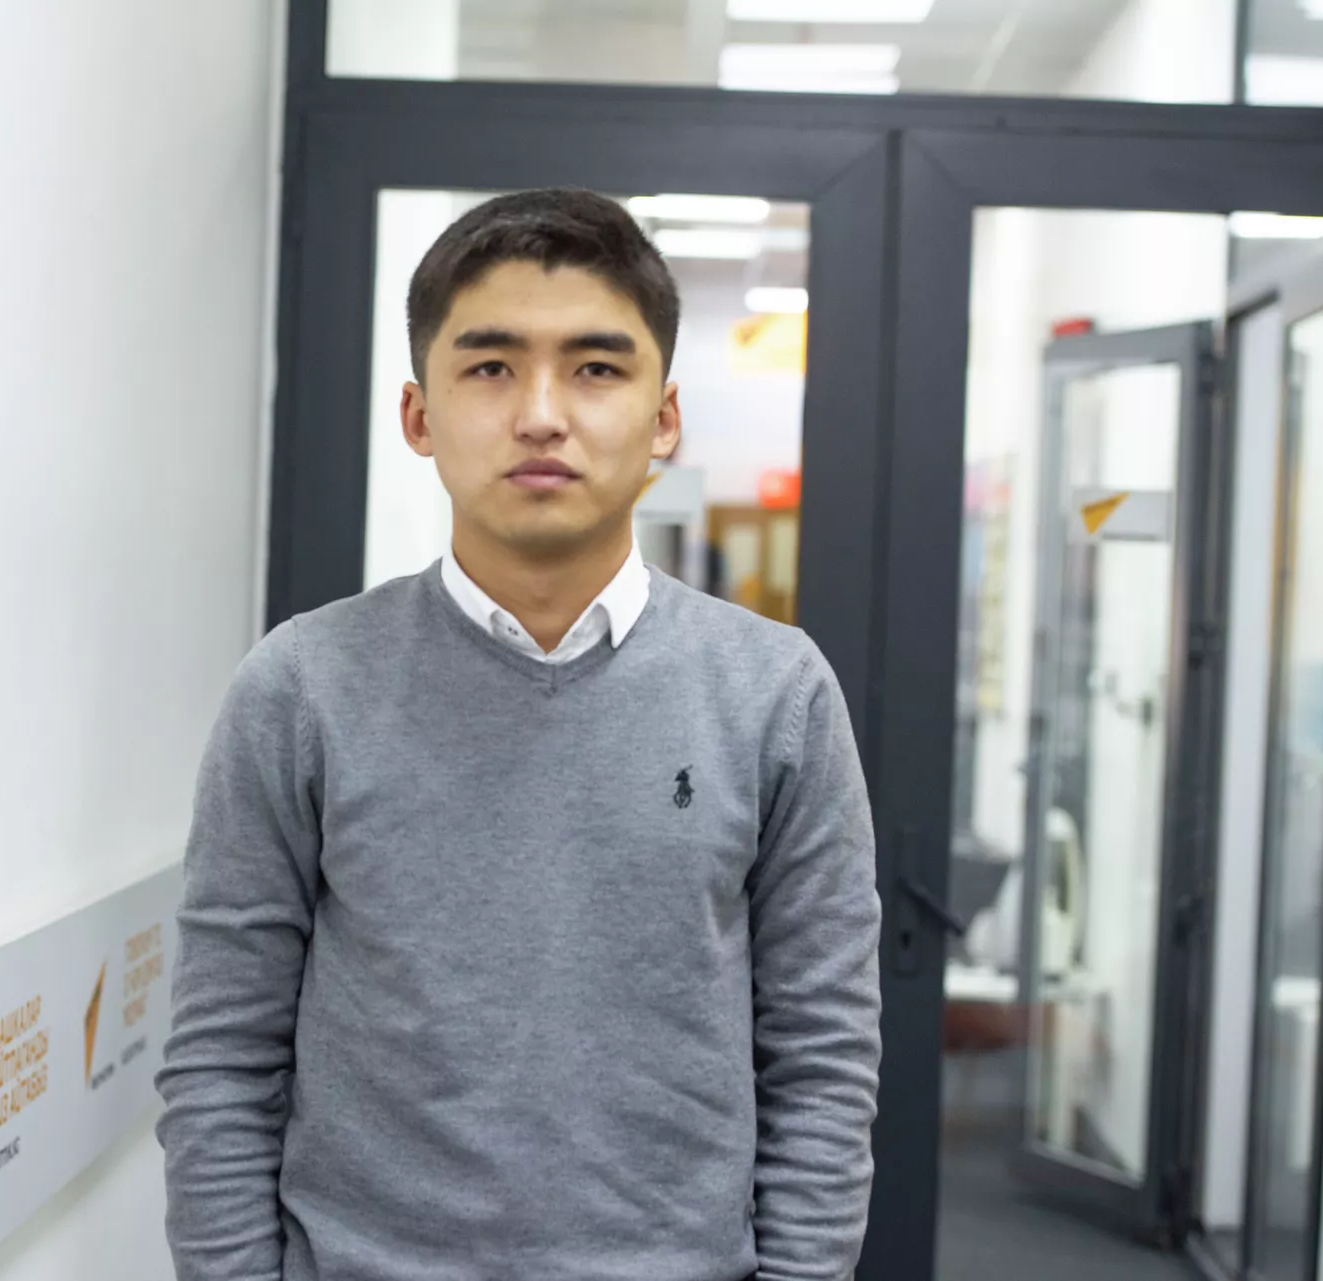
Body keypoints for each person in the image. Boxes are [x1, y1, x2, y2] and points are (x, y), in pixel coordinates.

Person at [156, 187, 882, 1281]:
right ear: (418, 415)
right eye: (491, 366)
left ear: (665, 418)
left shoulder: (776, 694)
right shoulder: (301, 688)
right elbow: (222, 1056)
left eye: (595, 368)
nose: (542, 414)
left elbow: (822, 1061)